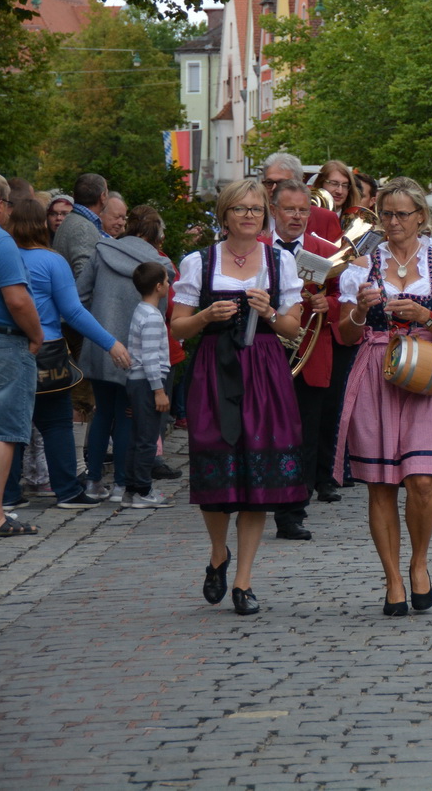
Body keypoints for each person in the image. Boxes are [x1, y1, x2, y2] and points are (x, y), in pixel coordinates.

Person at [170, 179, 307, 616]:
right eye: (240, 209)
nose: (248, 216)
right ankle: (217, 553)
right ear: (224, 214)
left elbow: (293, 330)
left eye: (255, 209)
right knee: (215, 467)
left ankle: (244, 580)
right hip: (214, 368)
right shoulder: (200, 261)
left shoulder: (280, 262)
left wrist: (268, 312)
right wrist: (207, 315)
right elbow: (178, 326)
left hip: (264, 370)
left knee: (258, 473)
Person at [333, 178, 432, 615]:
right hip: (375, 371)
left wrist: (425, 314)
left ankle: (419, 562)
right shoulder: (360, 266)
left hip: (426, 372)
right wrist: (357, 309)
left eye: (401, 214)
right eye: (385, 214)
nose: (392, 222)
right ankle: (392, 578)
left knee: (423, 480)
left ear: (420, 217)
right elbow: (345, 333)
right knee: (381, 484)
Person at [3, 197, 134, 513]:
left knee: (9, 424)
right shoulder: (52, 262)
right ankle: (66, 490)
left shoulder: (3, 258)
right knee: (57, 422)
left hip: (8, 349)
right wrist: (111, 343)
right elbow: (73, 311)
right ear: (42, 224)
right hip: (47, 352)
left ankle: (7, 493)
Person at [76, 204, 174, 501]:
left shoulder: (102, 251)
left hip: (101, 344)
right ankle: (121, 484)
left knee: (102, 413)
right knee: (127, 418)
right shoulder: (160, 264)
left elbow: (78, 297)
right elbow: (165, 309)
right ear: (155, 232)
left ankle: (93, 482)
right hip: (139, 354)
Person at [267, 179, 345, 540]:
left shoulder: (323, 251)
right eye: (290, 209)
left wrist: (324, 304)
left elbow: (343, 300)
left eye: (303, 210)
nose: (297, 216)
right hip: (264, 352)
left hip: (308, 353)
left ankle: (293, 512)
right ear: (274, 211)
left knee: (304, 434)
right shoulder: (257, 248)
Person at [0, 179, 48, 533]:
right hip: (4, 344)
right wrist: (36, 334)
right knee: (3, 431)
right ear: (1, 205)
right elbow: (16, 299)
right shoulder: (1, 241)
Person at [119, 262, 174, 509]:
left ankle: (131, 488)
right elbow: (151, 357)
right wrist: (159, 391)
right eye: (166, 281)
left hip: (137, 380)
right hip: (148, 382)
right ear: (158, 287)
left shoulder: (140, 310)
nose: (169, 285)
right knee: (147, 438)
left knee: (138, 436)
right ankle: (142, 489)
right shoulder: (152, 317)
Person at [52, 172, 109, 282]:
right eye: (107, 192)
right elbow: (85, 278)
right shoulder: (83, 228)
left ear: (74, 196)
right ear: (102, 197)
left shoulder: (73, 220)